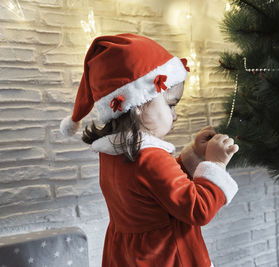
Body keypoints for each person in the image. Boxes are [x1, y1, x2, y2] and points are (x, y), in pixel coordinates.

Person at [59, 33, 239, 267]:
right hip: (165, 255)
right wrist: (215, 164)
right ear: (138, 106)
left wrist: (194, 154)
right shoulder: (151, 157)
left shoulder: (114, 152)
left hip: (130, 255)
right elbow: (197, 209)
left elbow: (160, 189)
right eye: (171, 104)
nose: (175, 115)